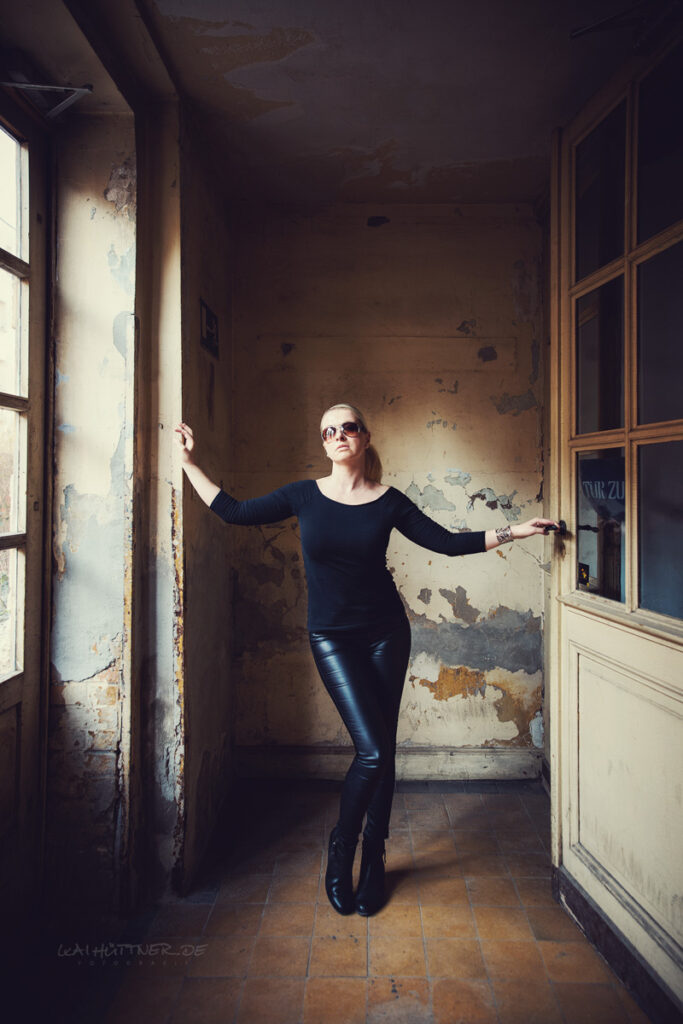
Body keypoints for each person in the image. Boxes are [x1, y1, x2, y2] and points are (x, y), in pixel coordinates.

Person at [175, 404, 558, 917]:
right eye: (328, 431)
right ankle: (342, 849)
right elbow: (235, 511)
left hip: (386, 634)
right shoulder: (303, 495)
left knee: (384, 749)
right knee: (373, 751)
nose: (337, 435)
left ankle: (373, 857)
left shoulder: (388, 501)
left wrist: (517, 530)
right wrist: (188, 463)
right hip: (332, 637)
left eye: (347, 427)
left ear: (365, 436)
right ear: (324, 442)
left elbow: (447, 544)